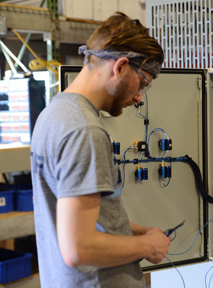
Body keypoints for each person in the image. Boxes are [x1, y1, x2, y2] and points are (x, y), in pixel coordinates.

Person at [30, 12, 170, 287]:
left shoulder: (53, 114)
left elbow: (74, 220)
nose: (140, 96)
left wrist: (134, 232)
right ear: (119, 67)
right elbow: (79, 248)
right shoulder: (85, 131)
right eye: (142, 82)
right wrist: (147, 247)